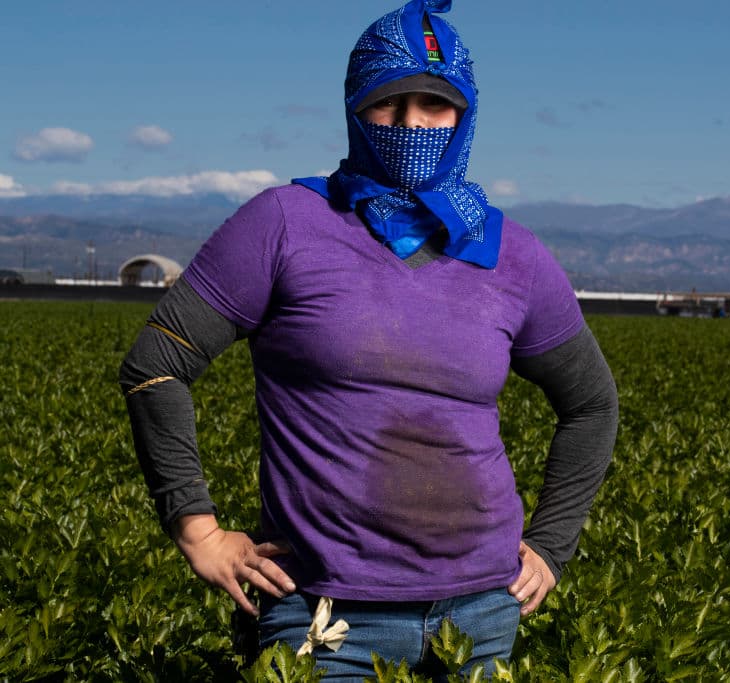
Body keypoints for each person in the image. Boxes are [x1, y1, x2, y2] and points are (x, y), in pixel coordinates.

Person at [118, 1, 618, 680]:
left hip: (479, 613)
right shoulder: (286, 223)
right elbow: (157, 363)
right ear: (355, 107)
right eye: (389, 103)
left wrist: (553, 545)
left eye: (435, 105)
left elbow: (591, 402)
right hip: (324, 617)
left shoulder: (510, 254)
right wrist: (197, 530)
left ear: (464, 115)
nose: (412, 124)